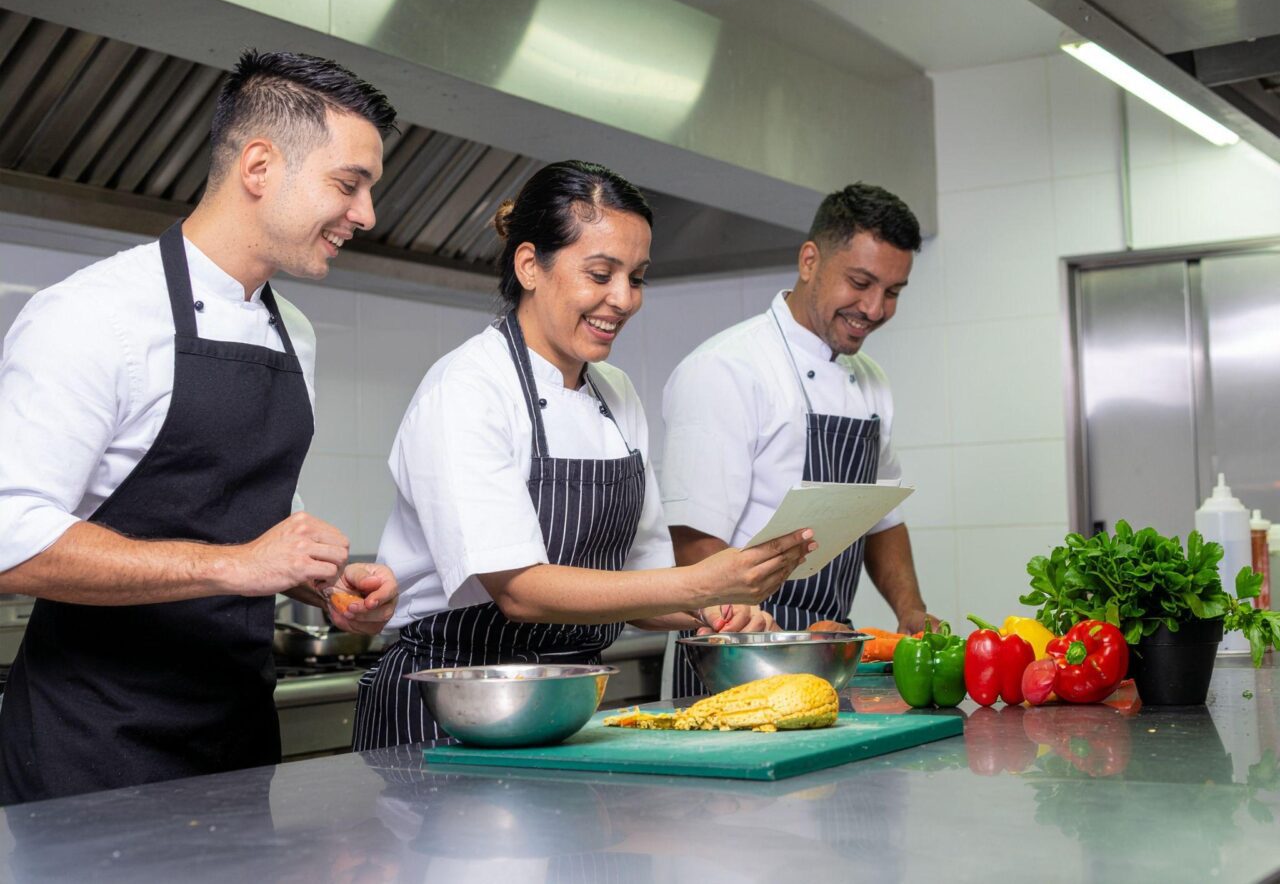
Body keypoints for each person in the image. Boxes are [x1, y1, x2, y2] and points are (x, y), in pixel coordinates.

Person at [0, 51, 401, 803]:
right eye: (348, 185)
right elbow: (9, 538)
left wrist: (320, 580)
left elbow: (242, 506)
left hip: (238, 737)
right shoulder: (91, 316)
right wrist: (236, 567)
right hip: (93, 749)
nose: (366, 216)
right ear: (258, 166)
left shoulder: (295, 332)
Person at [352, 160, 814, 749]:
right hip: (452, 710)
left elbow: (643, 586)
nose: (623, 299)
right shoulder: (467, 389)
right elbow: (520, 591)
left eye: (637, 277)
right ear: (529, 266)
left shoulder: (615, 394)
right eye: (600, 273)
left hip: (562, 708)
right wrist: (696, 585)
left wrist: (713, 611)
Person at [661, 182, 936, 696]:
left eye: (893, 292)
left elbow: (882, 518)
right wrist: (761, 628)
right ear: (810, 260)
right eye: (860, 282)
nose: (875, 308)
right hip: (734, 653)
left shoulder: (870, 380)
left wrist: (910, 610)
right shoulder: (724, 369)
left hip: (825, 649)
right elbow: (693, 541)